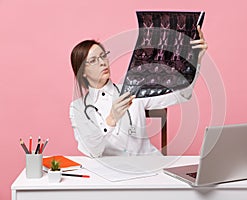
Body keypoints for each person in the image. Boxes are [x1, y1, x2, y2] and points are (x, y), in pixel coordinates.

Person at [70, 26, 208, 157]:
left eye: (103, 56)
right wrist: (112, 119)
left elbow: (181, 94)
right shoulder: (78, 108)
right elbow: (93, 151)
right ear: (82, 72)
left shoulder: (133, 88)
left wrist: (196, 60)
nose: (102, 63)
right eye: (93, 60)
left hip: (148, 164)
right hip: (112, 172)